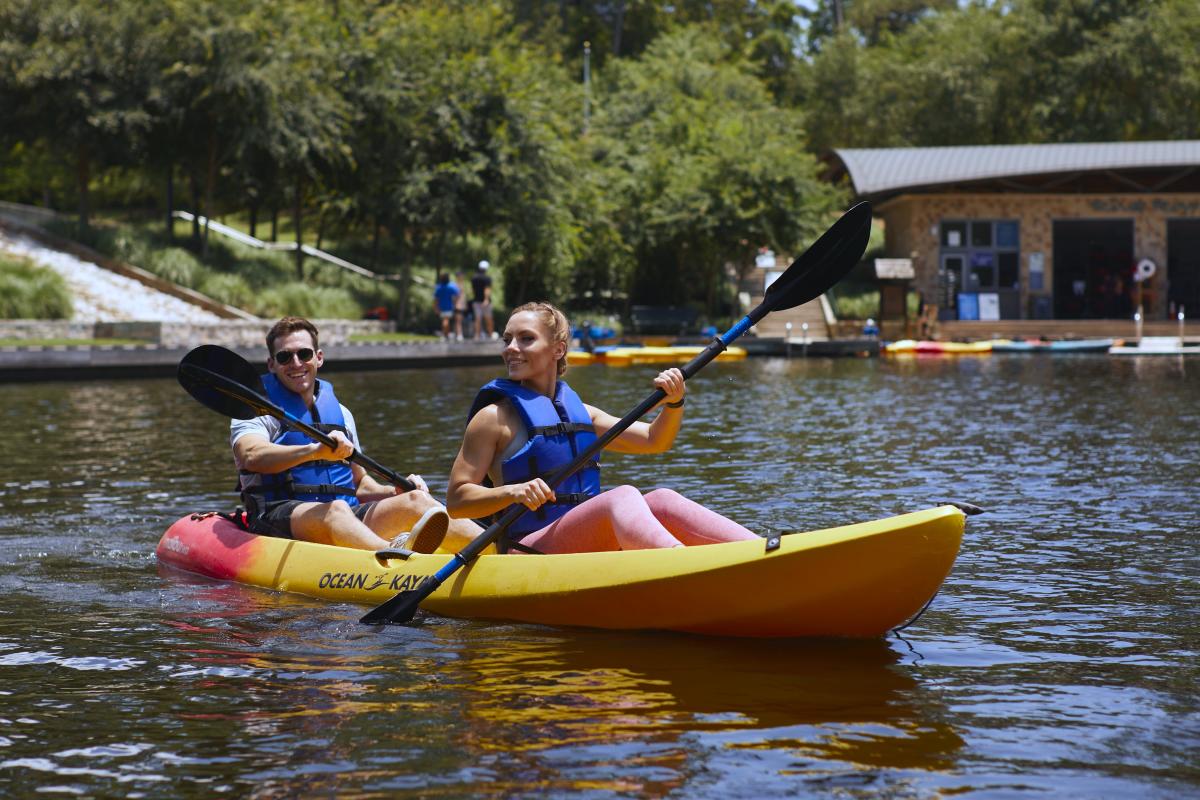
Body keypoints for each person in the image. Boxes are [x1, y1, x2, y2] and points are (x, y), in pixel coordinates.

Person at [446, 302, 759, 554]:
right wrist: (513, 491)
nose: (510, 348)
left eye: (526, 338)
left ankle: (760, 552)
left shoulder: (583, 415)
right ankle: (681, 564)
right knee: (620, 497)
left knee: (663, 499)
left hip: (581, 540)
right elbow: (457, 501)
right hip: (528, 550)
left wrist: (674, 403)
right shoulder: (492, 418)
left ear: (558, 349)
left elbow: (654, 440)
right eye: (507, 339)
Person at [231, 316, 482, 552]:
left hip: (343, 514)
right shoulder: (255, 410)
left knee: (417, 500)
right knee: (336, 509)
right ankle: (397, 561)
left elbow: (360, 484)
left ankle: (500, 552)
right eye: (285, 357)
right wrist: (314, 451)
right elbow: (251, 455)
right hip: (277, 516)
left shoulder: (340, 414)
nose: (296, 363)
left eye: (304, 354)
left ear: (318, 358)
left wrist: (394, 491)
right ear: (271, 364)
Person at [471, 260, 495, 339]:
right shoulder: (487, 278)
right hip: (485, 302)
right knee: (488, 318)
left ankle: (477, 336)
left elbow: (473, 290)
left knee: (477, 319)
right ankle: (491, 335)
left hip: (476, 300)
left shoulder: (474, 278)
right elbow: (487, 289)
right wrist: (486, 299)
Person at [433, 273, 460, 340]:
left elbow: (436, 299)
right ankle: (445, 334)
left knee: (444, 320)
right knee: (446, 320)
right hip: (449, 306)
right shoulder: (451, 286)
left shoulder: (439, 287)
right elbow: (457, 295)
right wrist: (455, 302)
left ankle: (445, 334)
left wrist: (436, 307)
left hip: (441, 306)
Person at [452, 270, 469, 341]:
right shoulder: (455, 285)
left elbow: (463, 296)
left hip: (461, 305)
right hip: (457, 305)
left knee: (459, 320)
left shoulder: (461, 284)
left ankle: (457, 334)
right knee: (458, 320)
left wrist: (465, 304)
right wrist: (455, 304)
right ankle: (459, 334)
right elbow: (455, 296)